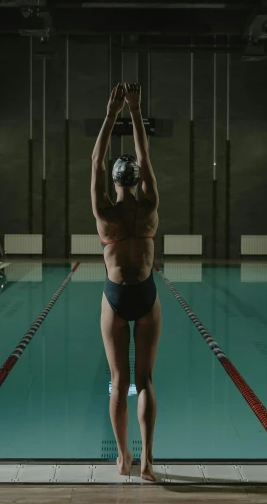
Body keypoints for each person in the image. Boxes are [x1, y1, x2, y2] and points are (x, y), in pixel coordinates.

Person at [91, 82, 161, 482]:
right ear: (136, 180)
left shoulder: (104, 211)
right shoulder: (150, 206)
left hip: (114, 298)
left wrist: (111, 113)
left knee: (119, 383)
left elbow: (96, 159)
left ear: (115, 182)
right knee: (146, 380)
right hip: (147, 295)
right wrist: (135, 111)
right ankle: (149, 462)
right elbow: (144, 153)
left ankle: (123, 459)